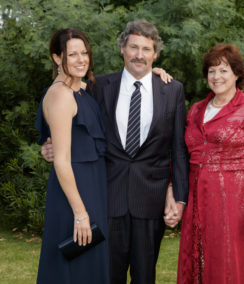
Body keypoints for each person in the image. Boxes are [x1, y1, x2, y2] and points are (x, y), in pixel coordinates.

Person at [41, 20, 189, 284]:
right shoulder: (98, 87)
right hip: (107, 199)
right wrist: (48, 144)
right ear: (122, 49)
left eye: (146, 49)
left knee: (145, 277)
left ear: (155, 54)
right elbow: (65, 114)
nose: (139, 55)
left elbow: (178, 149)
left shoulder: (172, 90)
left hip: (150, 201)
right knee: (107, 276)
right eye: (133, 47)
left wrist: (178, 196)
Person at [177, 44, 244, 284]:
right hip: (199, 204)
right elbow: (184, 154)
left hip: (239, 206)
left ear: (237, 74)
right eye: (211, 71)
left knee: (234, 265)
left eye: (223, 70)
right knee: (202, 261)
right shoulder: (195, 110)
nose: (217, 77)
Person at [36, 28, 109, 283]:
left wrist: (155, 72)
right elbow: (62, 160)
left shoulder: (81, 89)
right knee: (74, 268)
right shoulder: (60, 96)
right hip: (74, 195)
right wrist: (80, 213)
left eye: (84, 53)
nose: (81, 59)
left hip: (92, 187)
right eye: (73, 54)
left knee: (90, 265)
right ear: (57, 58)